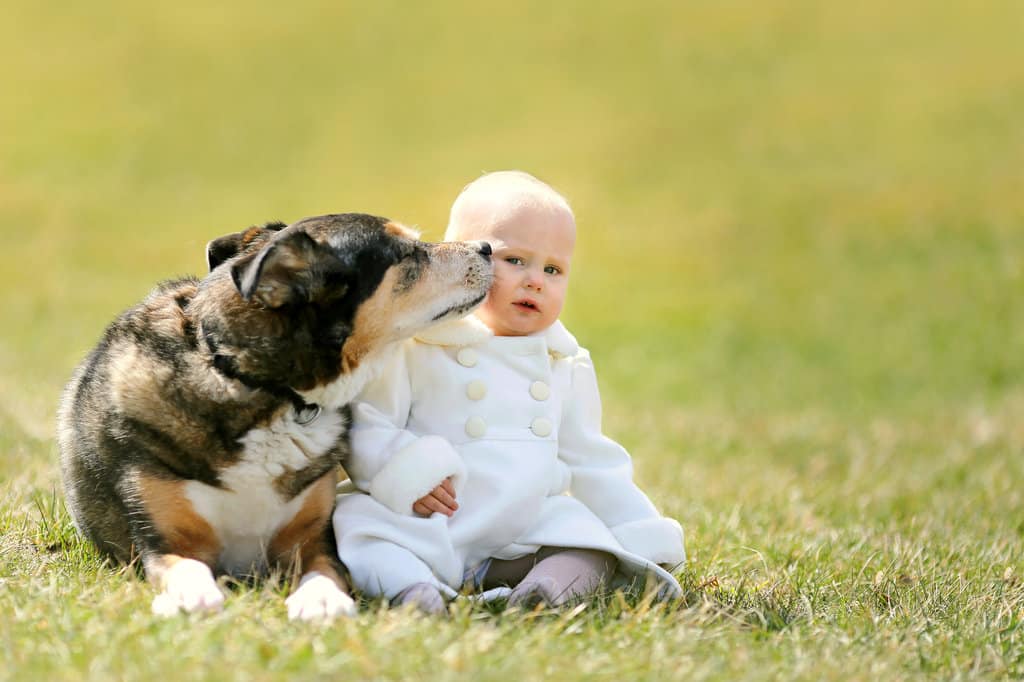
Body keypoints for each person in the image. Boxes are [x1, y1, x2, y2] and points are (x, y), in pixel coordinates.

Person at [332, 171, 685, 613]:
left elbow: (594, 458)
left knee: (589, 544)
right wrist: (404, 471)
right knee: (361, 527)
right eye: (514, 260)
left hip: (520, 529)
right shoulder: (418, 344)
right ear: (464, 261)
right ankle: (414, 592)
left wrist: (638, 526)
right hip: (426, 520)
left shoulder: (563, 362)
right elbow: (366, 422)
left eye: (553, 269)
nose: (535, 280)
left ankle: (542, 596)